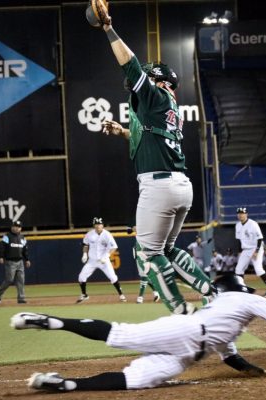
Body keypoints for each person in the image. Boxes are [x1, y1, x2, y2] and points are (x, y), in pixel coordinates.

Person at [12, 274, 266, 392]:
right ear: (239, 288)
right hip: (185, 331)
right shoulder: (242, 299)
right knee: (122, 334)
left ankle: (63, 384)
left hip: (186, 354)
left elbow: (231, 356)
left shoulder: (229, 317)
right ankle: (49, 320)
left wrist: (258, 372)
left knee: (136, 380)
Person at [90, 4, 213, 314]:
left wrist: (108, 29)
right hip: (180, 185)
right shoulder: (169, 107)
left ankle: (182, 312)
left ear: (158, 80)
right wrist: (123, 132)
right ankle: (210, 294)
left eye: (148, 75)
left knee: (147, 253)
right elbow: (150, 138)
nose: (141, 77)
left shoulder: (155, 94)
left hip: (158, 186)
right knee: (168, 250)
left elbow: (130, 65)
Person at [77, 217, 126, 303]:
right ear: (94, 225)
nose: (98, 226)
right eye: (96, 224)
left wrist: (106, 256)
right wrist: (84, 254)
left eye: (99, 224)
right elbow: (85, 245)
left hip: (104, 260)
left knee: (113, 277)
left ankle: (121, 294)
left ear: (102, 225)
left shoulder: (107, 235)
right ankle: (84, 295)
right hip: (92, 260)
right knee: (81, 277)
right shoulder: (89, 234)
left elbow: (114, 247)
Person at [235, 207, 266, 297]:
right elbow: (238, 240)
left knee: (258, 269)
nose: (241, 215)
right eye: (239, 213)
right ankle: (242, 289)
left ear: (246, 214)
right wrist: (239, 251)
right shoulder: (237, 225)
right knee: (238, 269)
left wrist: (257, 251)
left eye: (243, 213)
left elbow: (260, 238)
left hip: (256, 248)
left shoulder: (253, 224)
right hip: (246, 249)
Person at [0, 220, 31, 304]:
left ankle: (21, 298)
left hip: (20, 262)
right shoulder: (7, 236)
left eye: (18, 227)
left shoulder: (22, 238)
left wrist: (27, 259)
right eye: (14, 226)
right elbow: (2, 247)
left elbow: (25, 250)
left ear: (20, 228)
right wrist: (0, 256)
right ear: (12, 227)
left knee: (21, 280)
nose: (16, 228)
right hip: (10, 262)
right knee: (9, 280)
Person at [128, 225, 160, 304]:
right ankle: (156, 292)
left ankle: (140, 297)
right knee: (145, 277)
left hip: (145, 256)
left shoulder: (147, 233)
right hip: (138, 256)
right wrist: (132, 229)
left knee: (144, 276)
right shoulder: (140, 233)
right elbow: (129, 231)